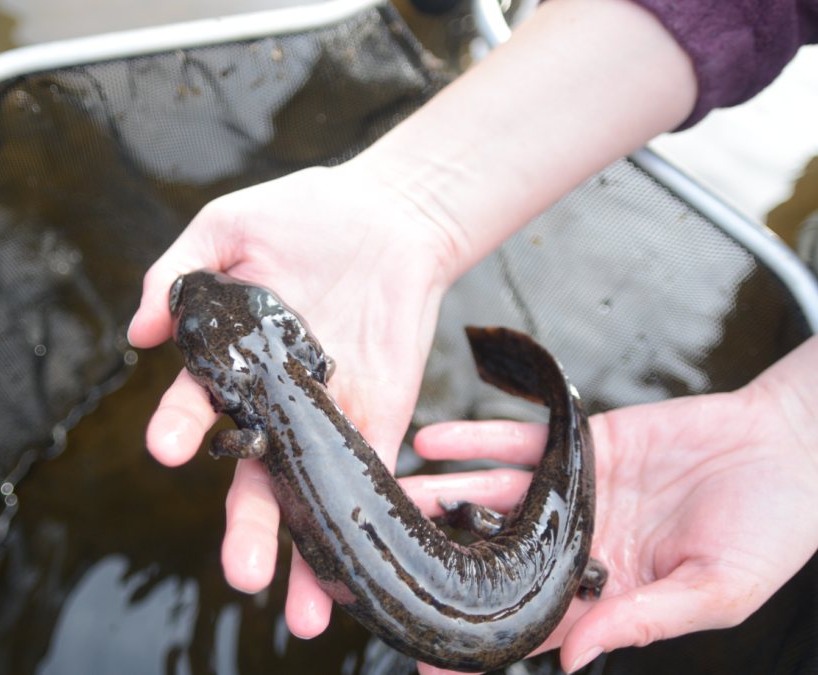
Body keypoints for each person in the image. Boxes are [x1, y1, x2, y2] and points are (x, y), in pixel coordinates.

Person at [127, 0, 818, 672]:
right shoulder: (269, 413)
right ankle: (545, 413)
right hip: (529, 573)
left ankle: (551, 442)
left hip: (550, 575)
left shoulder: (268, 420)